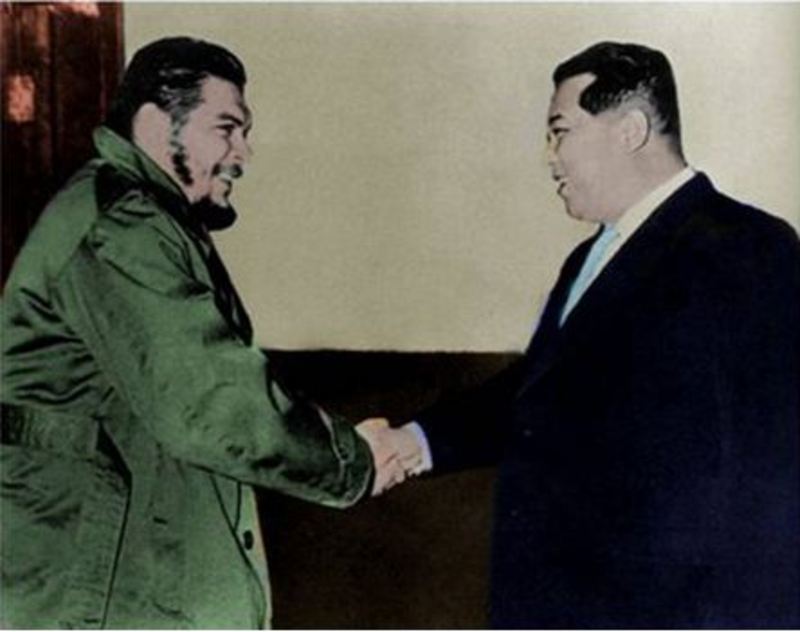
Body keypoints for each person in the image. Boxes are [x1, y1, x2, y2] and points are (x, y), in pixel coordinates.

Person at [379, 41, 800, 627]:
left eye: (561, 133)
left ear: (630, 131)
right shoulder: (590, 258)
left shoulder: (746, 246)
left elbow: (765, 470)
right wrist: (414, 442)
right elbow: (537, 394)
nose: (550, 158)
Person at [0, 36, 402, 629]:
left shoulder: (140, 216)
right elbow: (210, 402)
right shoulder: (120, 225)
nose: (244, 152)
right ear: (155, 125)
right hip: (87, 598)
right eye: (227, 128)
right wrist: (355, 462)